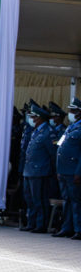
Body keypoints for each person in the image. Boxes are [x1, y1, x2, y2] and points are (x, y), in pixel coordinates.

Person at [21, 104, 55, 234]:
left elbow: (52, 154)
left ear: (40, 118)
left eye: (33, 117)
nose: (31, 119)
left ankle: (41, 225)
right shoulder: (35, 131)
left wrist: (51, 171)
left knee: (39, 199)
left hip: (40, 171)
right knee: (29, 199)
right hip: (29, 170)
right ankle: (31, 223)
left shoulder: (47, 132)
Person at [54, 98, 81, 239]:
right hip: (64, 171)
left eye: (73, 111)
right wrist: (59, 170)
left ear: (79, 113)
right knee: (67, 201)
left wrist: (78, 172)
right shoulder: (70, 128)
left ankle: (78, 229)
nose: (70, 113)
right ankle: (67, 227)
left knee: (76, 202)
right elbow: (61, 149)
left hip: (73, 172)